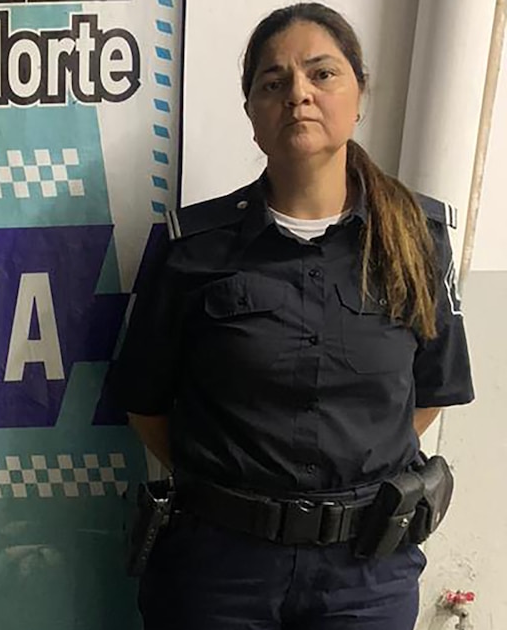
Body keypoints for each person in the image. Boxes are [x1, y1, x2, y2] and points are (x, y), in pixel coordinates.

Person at [114, 3, 474, 628]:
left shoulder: (417, 239)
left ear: (359, 94)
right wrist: (243, 496)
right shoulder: (192, 248)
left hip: (366, 576)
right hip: (217, 573)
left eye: (322, 73)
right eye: (273, 82)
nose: (298, 94)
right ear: (252, 111)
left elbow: (429, 392)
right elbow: (146, 404)